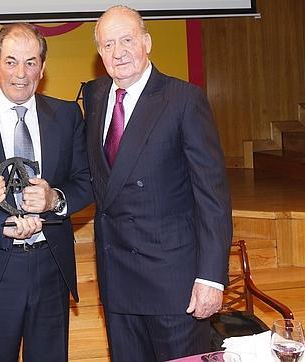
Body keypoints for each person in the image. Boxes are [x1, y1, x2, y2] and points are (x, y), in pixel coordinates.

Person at [83, 6, 233, 361]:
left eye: (127, 40)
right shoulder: (95, 96)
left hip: (174, 286)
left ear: (147, 42)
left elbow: (212, 195)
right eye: (108, 45)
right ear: (100, 53)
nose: (118, 52)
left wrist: (211, 278)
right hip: (117, 282)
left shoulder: (183, 99)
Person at [0, 23, 92, 362]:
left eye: (31, 62)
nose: (21, 73)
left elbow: (85, 181)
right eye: (11, 62)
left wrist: (55, 199)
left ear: (42, 67)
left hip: (50, 268)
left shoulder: (68, 115)